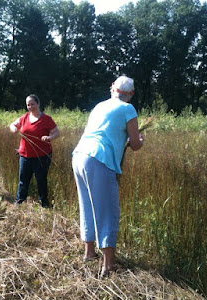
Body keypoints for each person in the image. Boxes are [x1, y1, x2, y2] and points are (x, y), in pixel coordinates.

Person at [72, 75, 144, 277]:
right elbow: (135, 144)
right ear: (130, 94)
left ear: (112, 88)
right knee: (107, 211)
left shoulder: (99, 106)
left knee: (87, 205)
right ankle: (108, 265)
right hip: (99, 160)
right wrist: (140, 139)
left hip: (79, 156)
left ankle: (89, 253)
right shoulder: (127, 109)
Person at [9, 94, 60, 208]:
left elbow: (57, 132)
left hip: (42, 156)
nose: (30, 107)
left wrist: (50, 137)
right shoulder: (24, 118)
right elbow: (13, 125)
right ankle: (19, 201)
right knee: (23, 180)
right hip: (25, 155)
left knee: (41, 180)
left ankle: (44, 203)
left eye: (33, 104)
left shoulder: (47, 119)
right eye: (28, 105)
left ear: (38, 104)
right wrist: (13, 128)